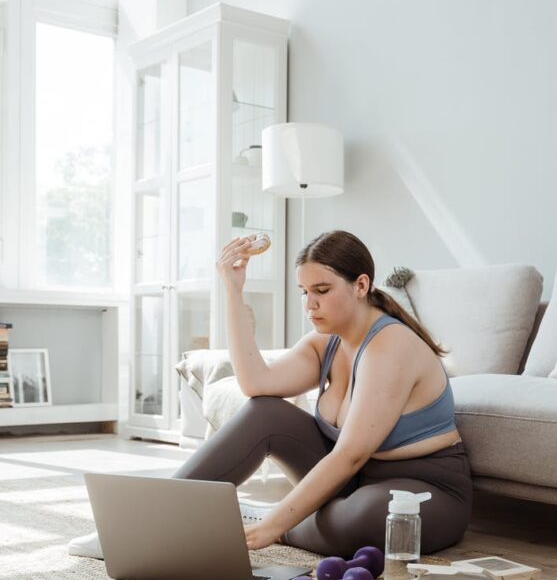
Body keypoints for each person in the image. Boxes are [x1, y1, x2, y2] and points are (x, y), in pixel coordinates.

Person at [69, 230, 473, 560]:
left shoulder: (390, 345)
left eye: (322, 290)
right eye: (303, 292)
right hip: (352, 483)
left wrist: (273, 527)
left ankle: (249, 520)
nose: (309, 304)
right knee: (266, 412)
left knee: (359, 525)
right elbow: (256, 384)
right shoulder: (325, 342)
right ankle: (141, 527)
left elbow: (350, 454)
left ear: (361, 285)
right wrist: (232, 289)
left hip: (423, 490)